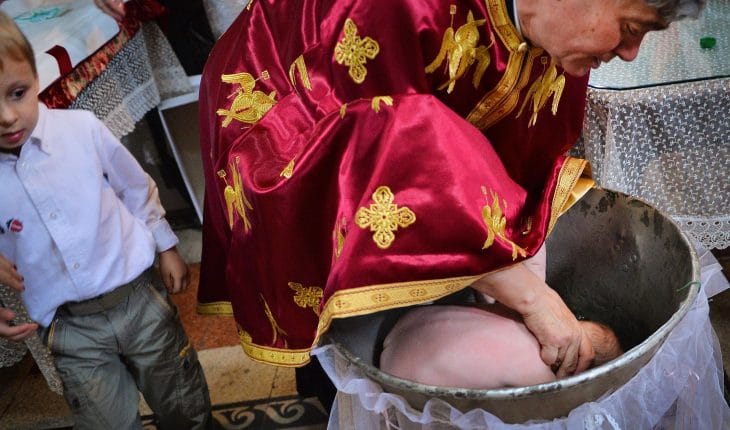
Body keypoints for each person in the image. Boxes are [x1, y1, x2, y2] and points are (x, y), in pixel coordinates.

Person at [195, 0, 703, 397]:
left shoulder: (558, 38)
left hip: (391, 149)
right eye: (632, 29)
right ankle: (334, 385)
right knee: (336, 333)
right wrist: (534, 301)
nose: (630, 53)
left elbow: (512, 161)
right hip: (286, 133)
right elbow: (379, 172)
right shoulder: (399, 12)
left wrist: (518, 301)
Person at [0, 11, 214, 429]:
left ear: (34, 76)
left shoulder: (81, 129)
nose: (6, 117)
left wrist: (166, 245)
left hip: (138, 300)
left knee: (183, 404)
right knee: (105, 422)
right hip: (70, 327)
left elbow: (134, 187)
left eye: (17, 93)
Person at [380, 244, 624, 388]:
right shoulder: (540, 373)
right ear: (576, 369)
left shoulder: (515, 312)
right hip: (403, 377)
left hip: (402, 326)